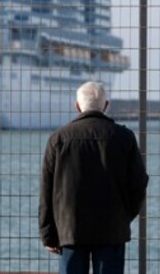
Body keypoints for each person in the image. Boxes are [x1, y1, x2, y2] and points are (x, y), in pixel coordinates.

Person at [39, 82, 149, 274]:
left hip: (69, 230)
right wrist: (124, 216)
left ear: (77, 106)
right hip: (112, 230)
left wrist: (48, 234)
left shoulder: (58, 139)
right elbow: (139, 184)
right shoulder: (124, 137)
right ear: (106, 105)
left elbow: (46, 190)